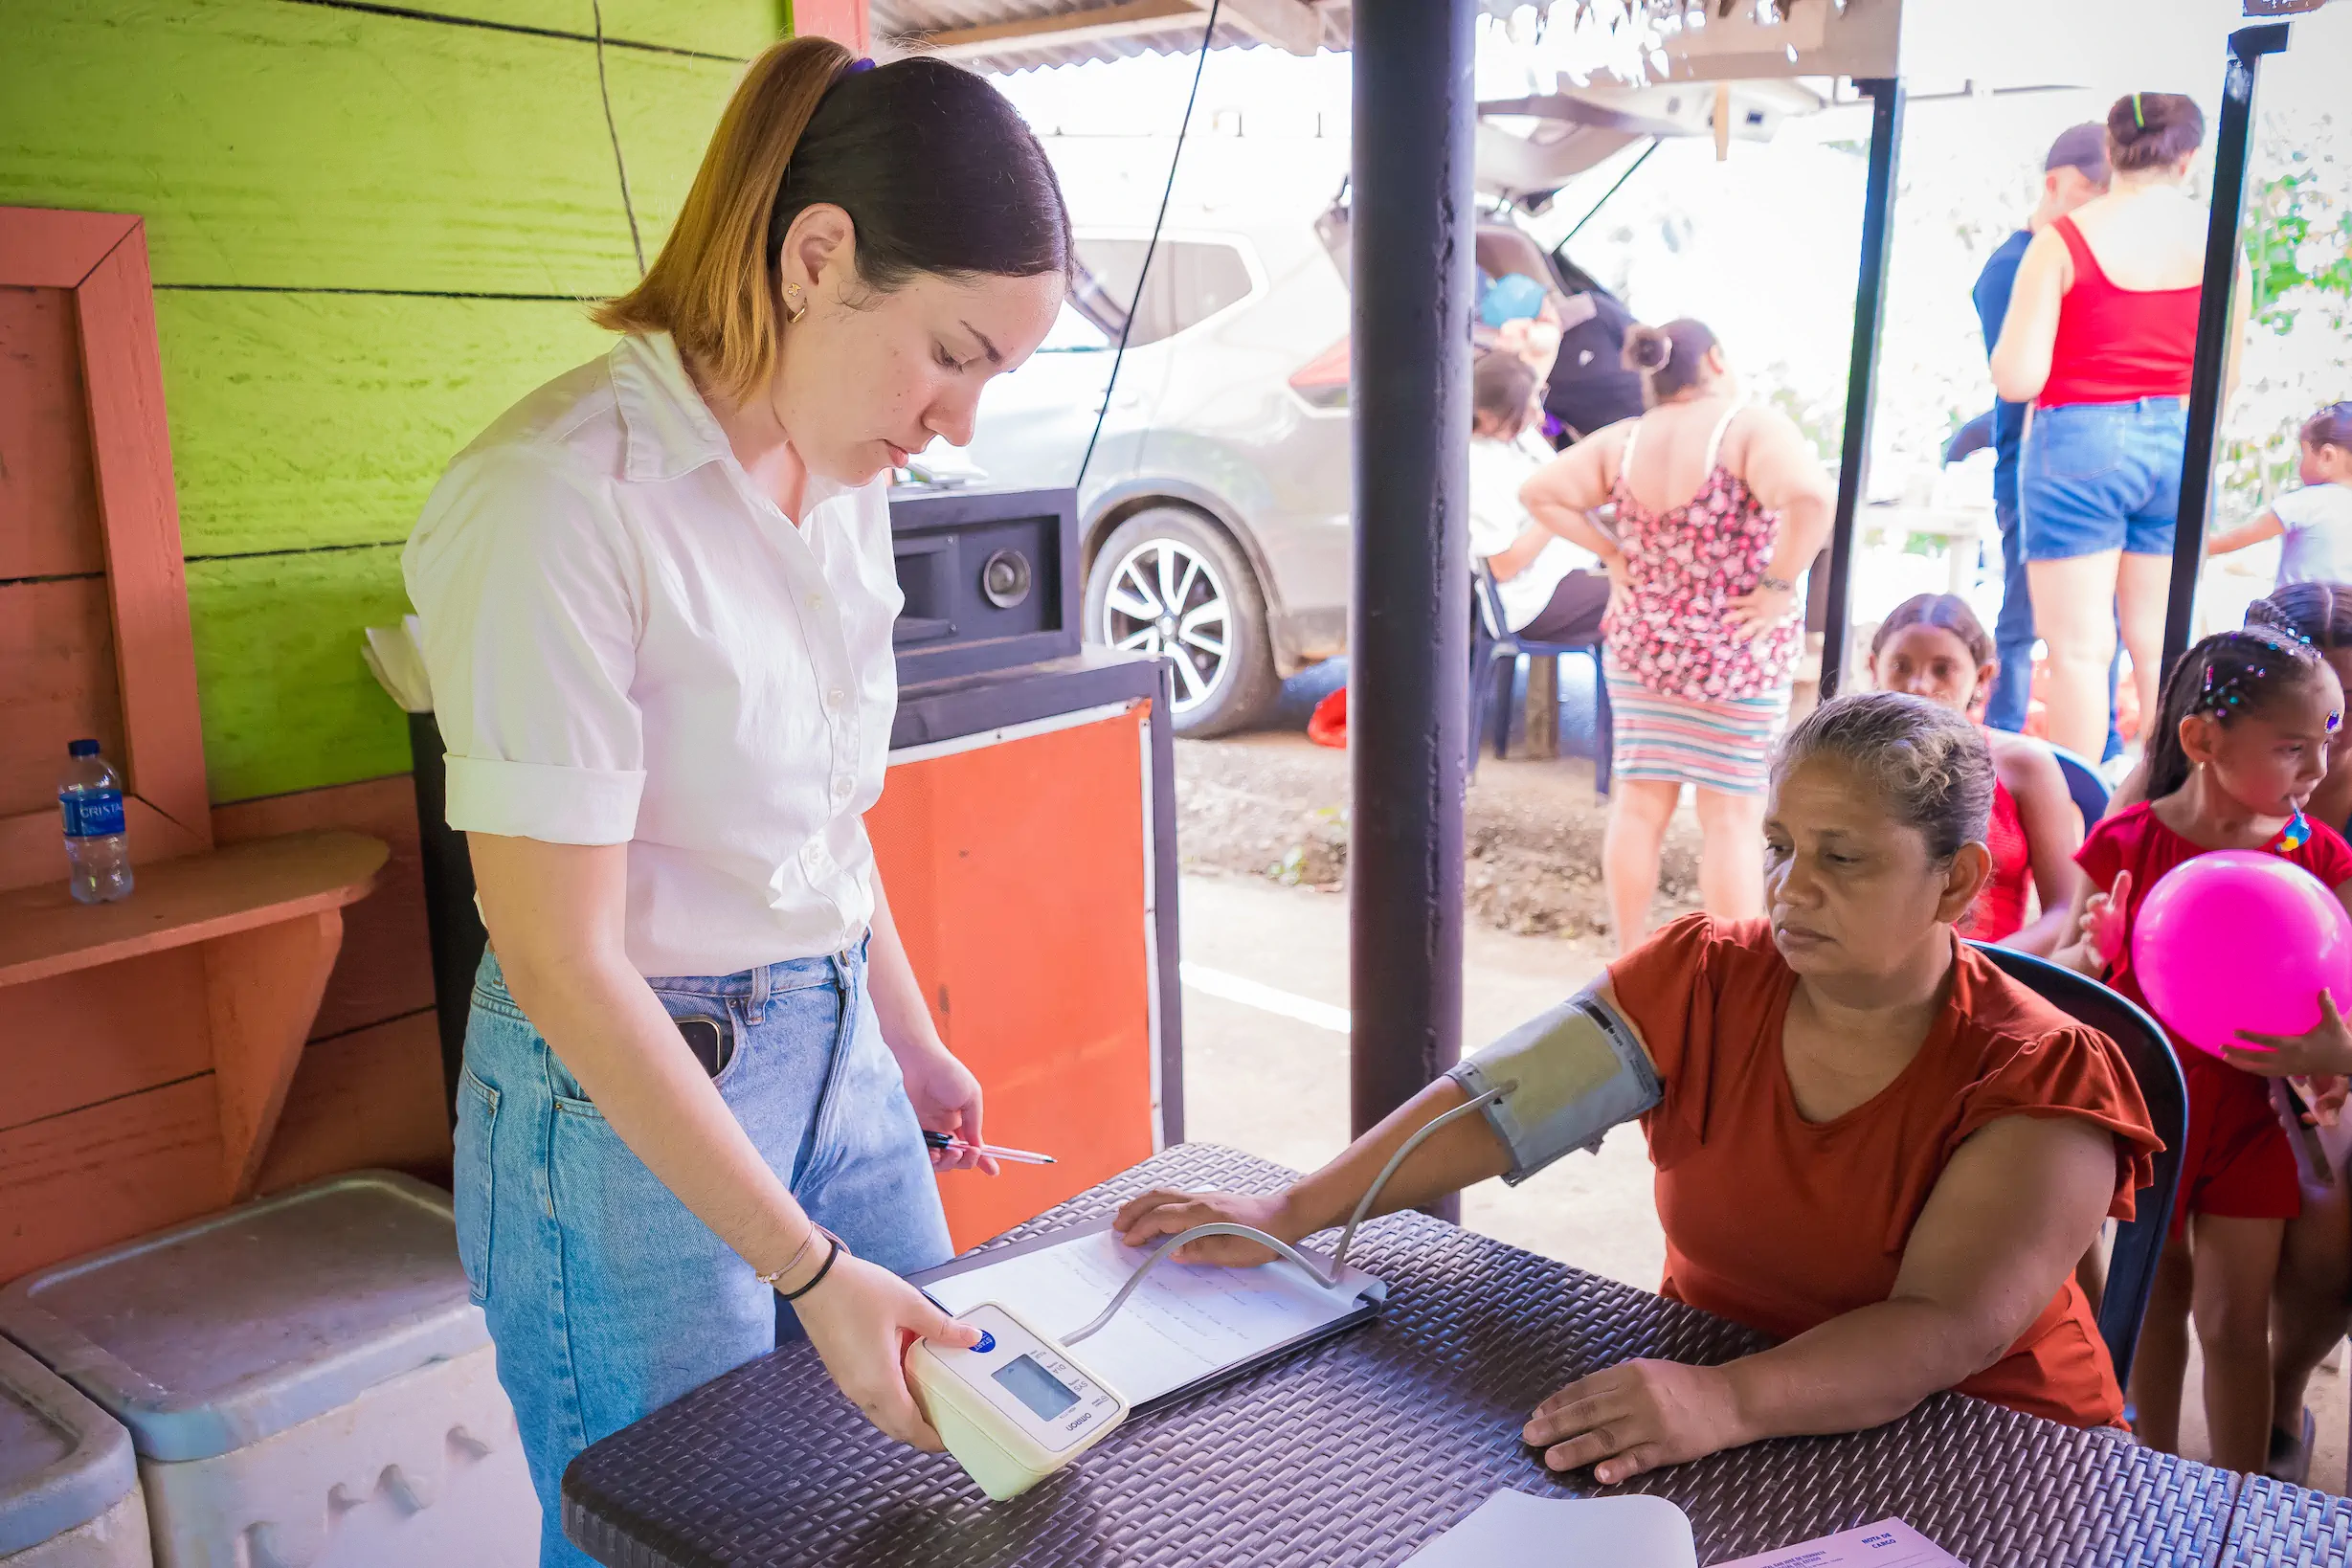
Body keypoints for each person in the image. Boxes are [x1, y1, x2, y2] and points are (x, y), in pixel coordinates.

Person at [401, 38, 1069, 1563]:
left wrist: (901, 1032)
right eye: (952, 353)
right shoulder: (558, 500)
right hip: (617, 1094)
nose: (957, 419)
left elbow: (821, 814)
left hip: (834, 1049)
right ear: (816, 256)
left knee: (939, 1468)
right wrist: (812, 1268)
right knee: (677, 1537)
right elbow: (561, 955)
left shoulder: (841, 473)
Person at [1116, 693, 2158, 1480]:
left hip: (1997, 1454)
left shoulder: (2041, 1074)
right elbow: (1498, 1105)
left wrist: (1730, 1401)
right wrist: (1286, 1212)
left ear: (1962, 880)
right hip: (1714, 1401)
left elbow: (1941, 1330)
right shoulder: (1704, 977)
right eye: (1782, 848)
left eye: (1843, 859)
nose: (1793, 890)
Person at [2052, 624, 2352, 1473]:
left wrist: (2333, 1050)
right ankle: (2150, 1478)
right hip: (2150, 1117)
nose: (2319, 772)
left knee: (2232, 1324)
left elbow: (2343, 981)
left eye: (2324, 745)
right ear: (2202, 740)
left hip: (2254, 1119)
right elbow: (2083, 989)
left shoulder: (2317, 858)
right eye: (2294, 748)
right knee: (2157, 1301)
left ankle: (2242, 1497)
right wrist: (2097, 949)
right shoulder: (2122, 846)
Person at [1520, 318, 1835, 951]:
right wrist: (1777, 586)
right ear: (1715, 360)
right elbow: (1810, 497)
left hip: (1641, 649)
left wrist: (1612, 553)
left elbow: (1539, 491)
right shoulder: (1746, 428)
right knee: (1729, 817)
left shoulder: (1626, 440)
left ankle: (1629, 956)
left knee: (1637, 807)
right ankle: (1737, 972)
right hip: (1734, 652)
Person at [1991, 93, 2215, 763]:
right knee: (2161, 646)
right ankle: (2168, 809)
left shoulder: (2062, 240)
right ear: (2189, 159)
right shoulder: (2216, 236)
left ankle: (2080, 832)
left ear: (2111, 152)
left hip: (2076, 440)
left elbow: (2016, 379)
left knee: (2081, 654)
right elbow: (2220, 381)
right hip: (2177, 440)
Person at [1972, 124, 2112, 738]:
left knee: (2088, 620)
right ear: (2055, 184)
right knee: (2025, 616)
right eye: (2090, 192)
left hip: (2079, 462)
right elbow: (2023, 380)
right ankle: (2003, 741)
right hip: (2033, 461)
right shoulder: (2013, 267)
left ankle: (2100, 738)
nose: (2100, 210)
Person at [1868, 594, 2081, 953]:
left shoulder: (2024, 766)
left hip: (1995, 980)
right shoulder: (1848, 763)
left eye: (1942, 669)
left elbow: (2066, 910)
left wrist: (1978, 972)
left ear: (1982, 677)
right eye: (1900, 666)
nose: (1919, 684)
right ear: (1874, 669)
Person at [1469, 350, 1610, 644]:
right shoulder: (1476, 466)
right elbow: (1503, 567)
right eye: (1527, 406)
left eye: (1538, 398)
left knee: (1651, 573)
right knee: (1642, 595)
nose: (1539, 414)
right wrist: (1554, 514)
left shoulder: (1521, 435)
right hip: (1534, 599)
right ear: (1488, 417)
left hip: (1570, 567)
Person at [2206, 403, 2352, 589]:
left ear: (2327, 457)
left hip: (2295, 615)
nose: (2299, 462)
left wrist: (2176, 539)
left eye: (2303, 453)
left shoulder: (2308, 502)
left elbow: (2227, 542)